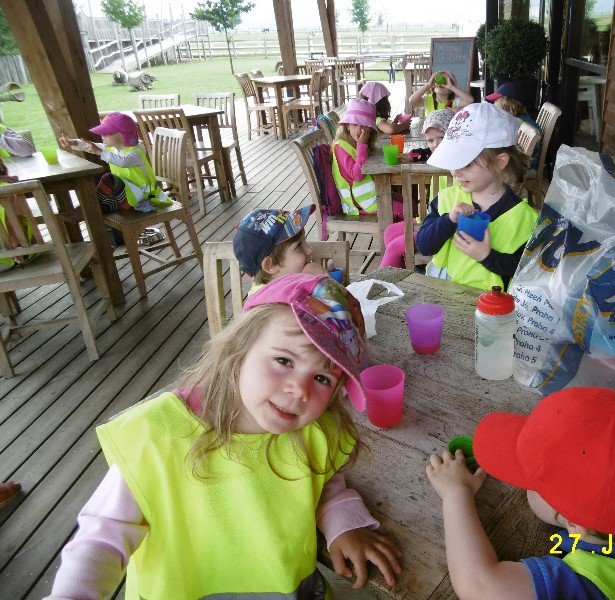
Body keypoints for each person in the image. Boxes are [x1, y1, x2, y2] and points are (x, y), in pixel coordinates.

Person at [47, 273, 403, 599]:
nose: (299, 390)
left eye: (323, 378)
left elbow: (325, 483)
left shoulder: (316, 432)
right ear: (239, 348)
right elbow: (103, 536)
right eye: (284, 360)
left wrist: (343, 523)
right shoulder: (157, 436)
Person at [426, 387, 615, 600]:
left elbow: (478, 586)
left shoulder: (593, 585)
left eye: (530, 484)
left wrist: (456, 494)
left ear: (575, 523)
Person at [415, 102, 538, 290]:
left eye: (466, 163)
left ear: (500, 162)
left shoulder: (525, 219)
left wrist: (487, 256)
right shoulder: (447, 198)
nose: (455, 171)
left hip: (491, 303)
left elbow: (524, 271)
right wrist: (449, 220)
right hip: (443, 291)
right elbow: (424, 246)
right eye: (454, 160)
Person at [378, 108, 456, 269]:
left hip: (444, 227)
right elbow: (426, 152)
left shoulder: (458, 168)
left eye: (442, 137)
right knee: (389, 232)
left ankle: (384, 281)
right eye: (431, 141)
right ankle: (403, 272)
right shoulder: (440, 158)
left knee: (394, 246)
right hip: (430, 217)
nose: (436, 145)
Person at [59, 112, 170, 219]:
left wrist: (99, 152)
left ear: (123, 135)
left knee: (109, 178)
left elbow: (123, 162)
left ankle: (90, 208)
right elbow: (91, 146)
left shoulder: (137, 150)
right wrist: (74, 143)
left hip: (144, 196)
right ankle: (90, 209)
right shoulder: (113, 148)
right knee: (99, 179)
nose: (102, 136)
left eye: (106, 133)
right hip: (128, 194)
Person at [233, 205, 328, 296]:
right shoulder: (269, 302)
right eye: (299, 246)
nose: (310, 250)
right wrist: (315, 283)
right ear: (270, 265)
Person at [331, 99, 381, 217]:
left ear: (370, 128)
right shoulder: (340, 147)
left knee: (409, 201)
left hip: (374, 194)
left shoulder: (358, 143)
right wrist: (361, 145)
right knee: (405, 208)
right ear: (347, 126)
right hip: (360, 203)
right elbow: (357, 176)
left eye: (363, 125)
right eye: (354, 124)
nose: (359, 129)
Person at [486, 82, 542, 174]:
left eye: (496, 100)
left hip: (521, 169)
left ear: (507, 103)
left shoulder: (515, 124)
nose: (493, 104)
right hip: (525, 163)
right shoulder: (522, 119)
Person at [408, 70, 474, 116]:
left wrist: (451, 87)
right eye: (437, 82)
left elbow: (470, 101)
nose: (441, 84)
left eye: (445, 82)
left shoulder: (454, 101)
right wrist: (428, 85)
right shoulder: (428, 99)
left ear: (451, 90)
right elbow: (412, 101)